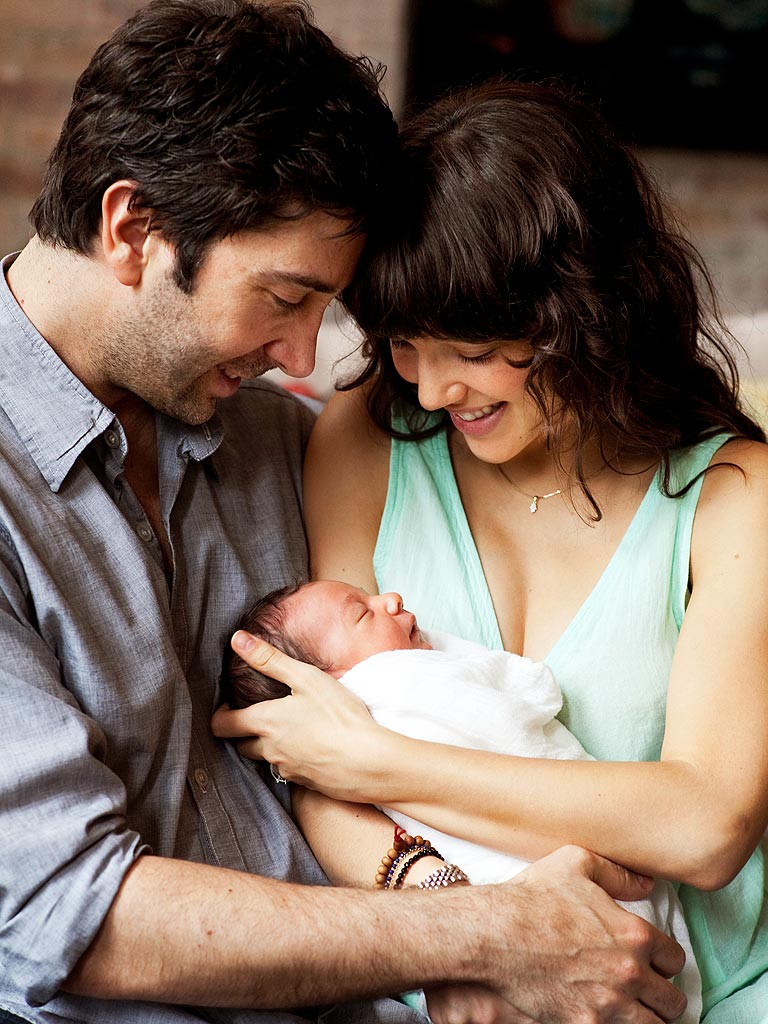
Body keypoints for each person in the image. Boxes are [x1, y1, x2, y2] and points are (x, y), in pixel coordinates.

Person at [0, 3, 690, 1023]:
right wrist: (494, 934)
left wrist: (428, 890)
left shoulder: (287, 441)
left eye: (325, 311)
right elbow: (64, 907)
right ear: (132, 229)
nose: (300, 357)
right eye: (284, 299)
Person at [211, 80, 768, 1023]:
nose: (430, 391)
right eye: (403, 346)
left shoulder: (734, 500)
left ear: (581, 310)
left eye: (467, 349)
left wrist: (383, 765)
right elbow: (309, 765)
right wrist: (461, 941)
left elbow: (703, 825)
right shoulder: (368, 439)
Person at [224, 578, 702, 1021]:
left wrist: (377, 763)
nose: (389, 600)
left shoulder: (346, 733)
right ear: (327, 683)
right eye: (362, 614)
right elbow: (531, 693)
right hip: (522, 893)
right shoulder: (397, 684)